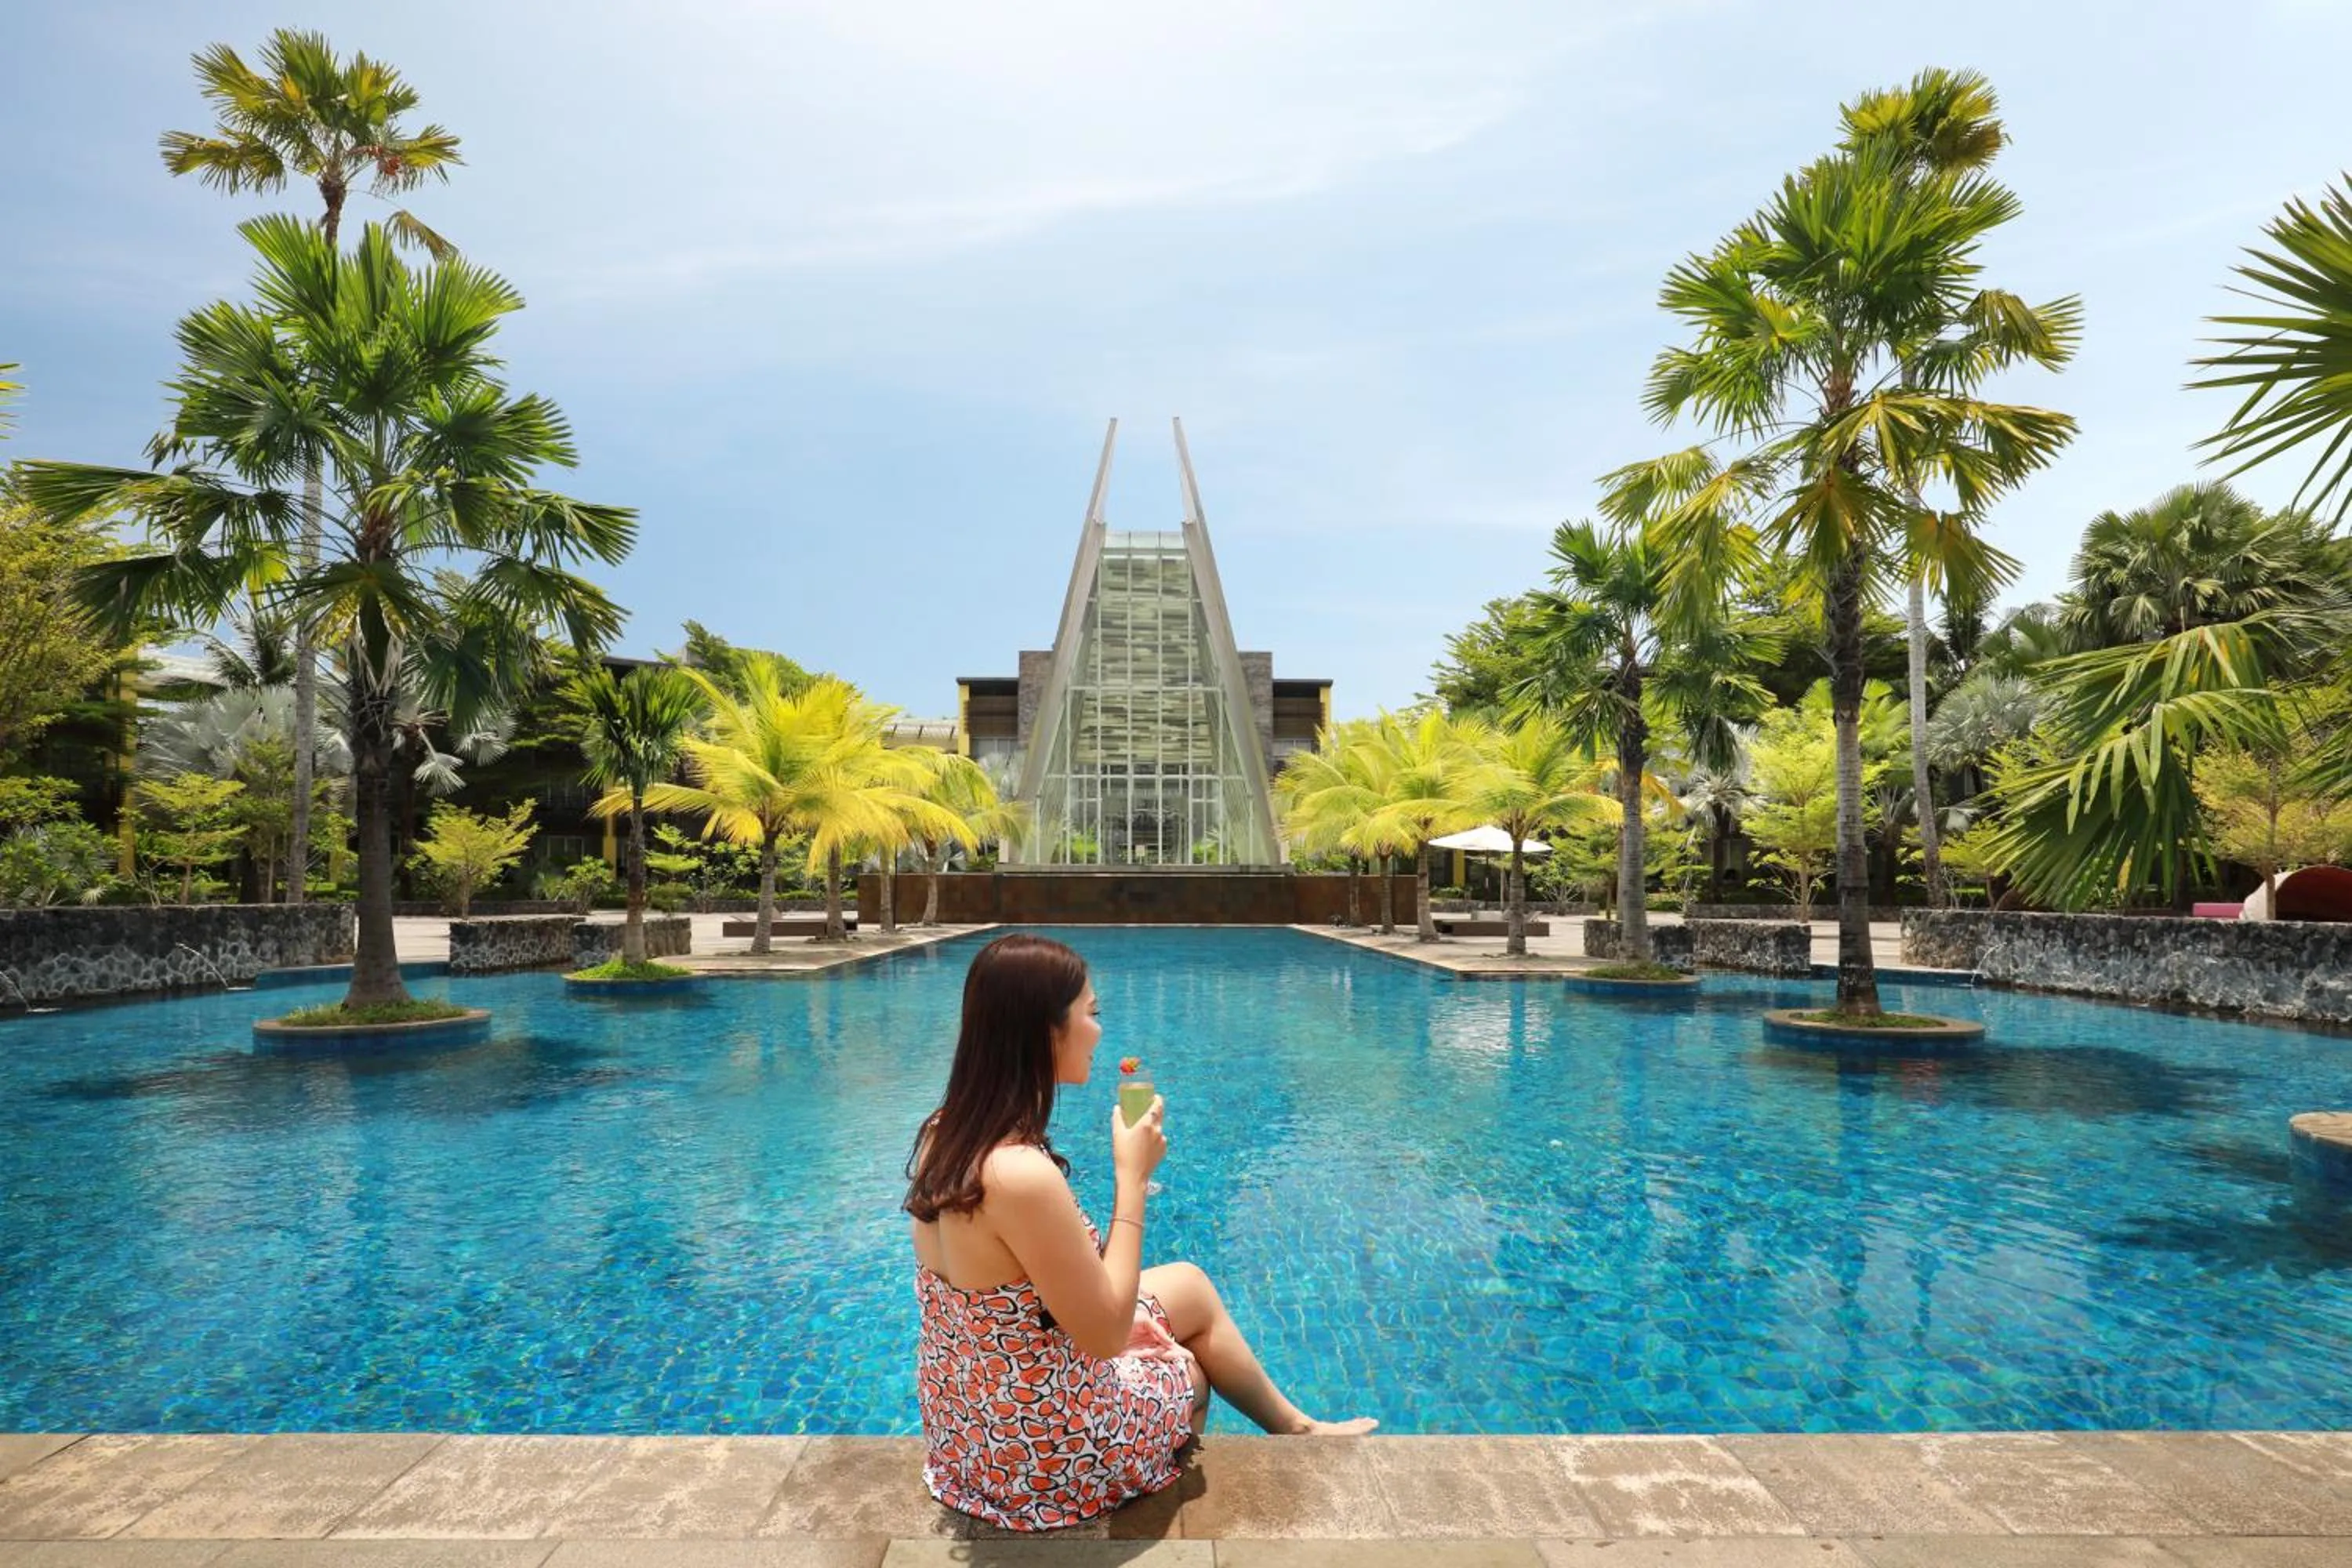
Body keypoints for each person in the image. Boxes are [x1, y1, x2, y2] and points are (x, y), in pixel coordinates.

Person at [904, 931, 1376, 1531]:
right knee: (1190, 1371)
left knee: (1189, 1284)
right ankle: (1146, 1492)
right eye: (1091, 1013)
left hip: (969, 1438)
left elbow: (1018, 1305)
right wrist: (1133, 1178)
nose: (1099, 1031)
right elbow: (1104, 1335)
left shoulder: (944, 1133)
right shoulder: (1018, 1174)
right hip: (1042, 1462)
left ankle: (1297, 1426)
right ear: (1047, 1031)